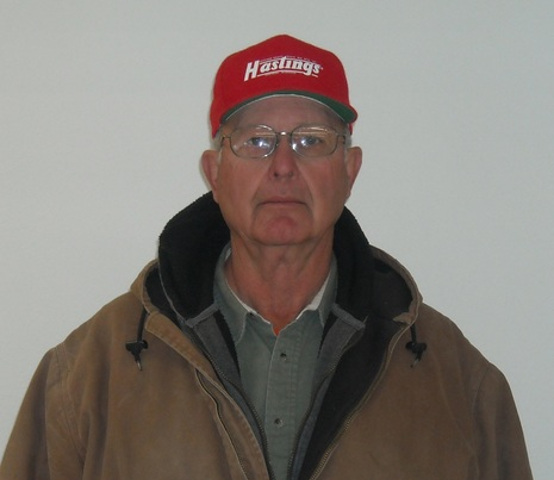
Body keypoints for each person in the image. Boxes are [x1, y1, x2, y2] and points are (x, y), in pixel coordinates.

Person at [0, 34, 533, 480]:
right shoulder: (88, 377)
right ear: (214, 173)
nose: (282, 165)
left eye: (311, 141)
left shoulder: (458, 384)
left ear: (350, 170)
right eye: (256, 141)